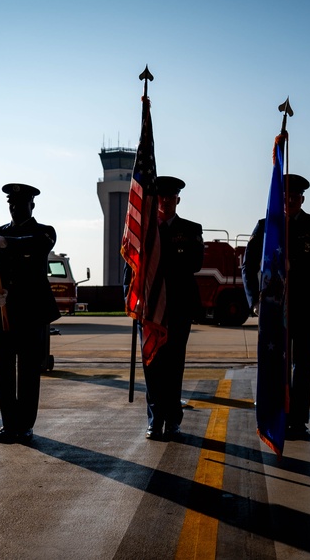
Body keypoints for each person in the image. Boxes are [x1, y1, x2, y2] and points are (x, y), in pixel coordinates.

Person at [242, 174, 310, 441]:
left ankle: (298, 421)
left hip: (307, 305)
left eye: (296, 196)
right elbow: (248, 264)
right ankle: (277, 415)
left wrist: (291, 265)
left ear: (302, 199)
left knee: (302, 366)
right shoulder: (266, 225)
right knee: (276, 365)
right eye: (286, 196)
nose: (290, 200)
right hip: (274, 307)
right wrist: (254, 300)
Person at [124, 176, 204, 441]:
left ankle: (172, 420)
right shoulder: (143, 231)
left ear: (178, 200)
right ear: (154, 200)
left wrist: (159, 260)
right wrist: (131, 300)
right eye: (162, 197)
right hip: (148, 309)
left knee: (174, 366)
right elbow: (131, 268)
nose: (166, 201)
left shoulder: (191, 229)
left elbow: (194, 263)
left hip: (178, 307)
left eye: (171, 197)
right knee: (152, 365)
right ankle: (154, 419)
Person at [0, 183, 61, 444]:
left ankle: (25, 426)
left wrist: (4, 243)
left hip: (30, 313)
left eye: (21, 204)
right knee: (2, 373)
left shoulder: (44, 232)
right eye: (11, 204)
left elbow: (36, 246)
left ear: (32, 205)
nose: (15, 208)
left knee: (28, 373)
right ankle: (9, 425)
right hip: (1, 311)